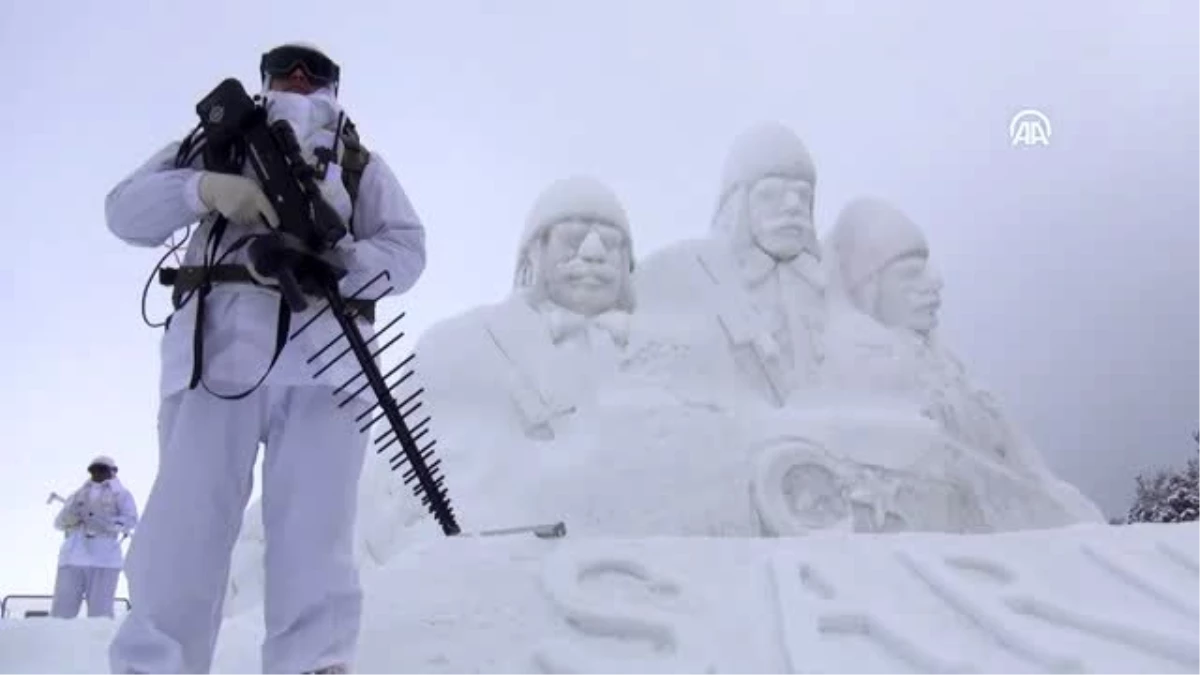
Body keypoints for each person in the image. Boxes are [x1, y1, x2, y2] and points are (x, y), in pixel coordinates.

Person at [105, 41, 427, 675]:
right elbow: (124, 211)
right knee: (184, 529)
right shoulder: (213, 142)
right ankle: (156, 664)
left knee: (316, 533)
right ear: (265, 79)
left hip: (327, 362)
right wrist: (203, 189)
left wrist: (339, 261)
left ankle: (313, 663)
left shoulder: (359, 164)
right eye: (286, 69)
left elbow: (408, 251)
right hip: (216, 352)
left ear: (336, 87)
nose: (300, 79)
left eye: (316, 72)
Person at [50, 456, 138, 619]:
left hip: (104, 559)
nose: (97, 473)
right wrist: (72, 516)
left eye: (102, 469)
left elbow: (131, 520)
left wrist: (106, 523)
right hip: (73, 558)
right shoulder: (77, 495)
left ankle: (99, 642)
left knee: (101, 614)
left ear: (112, 471)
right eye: (93, 469)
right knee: (61, 612)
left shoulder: (122, 495)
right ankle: (57, 642)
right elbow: (59, 523)